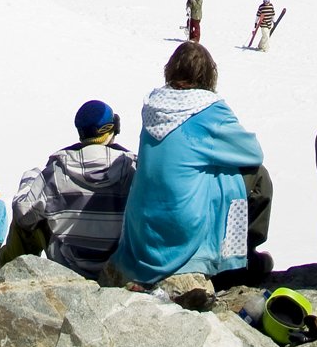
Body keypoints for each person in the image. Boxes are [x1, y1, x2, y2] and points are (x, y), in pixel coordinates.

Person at [107, 42, 273, 288]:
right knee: (259, 177)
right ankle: (239, 257)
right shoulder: (209, 109)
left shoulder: (154, 104)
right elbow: (252, 154)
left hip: (142, 232)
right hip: (181, 230)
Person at [10, 100, 137, 277]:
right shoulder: (132, 168)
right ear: (112, 128)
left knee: (31, 209)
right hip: (117, 268)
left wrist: (29, 178)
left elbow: (23, 214)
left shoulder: (56, 171)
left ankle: (9, 275)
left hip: (69, 268)